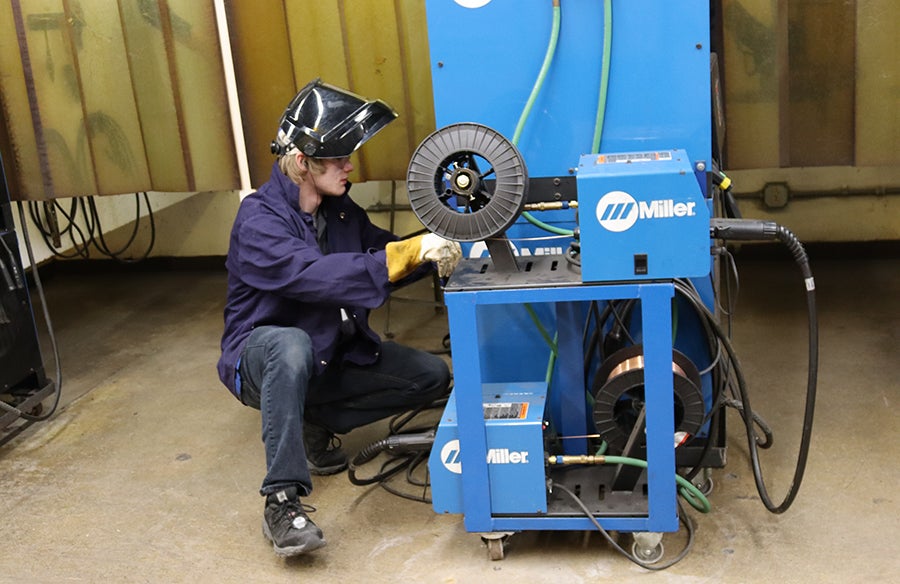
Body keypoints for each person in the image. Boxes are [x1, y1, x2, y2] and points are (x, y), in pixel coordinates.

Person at [216, 79, 461, 558]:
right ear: (303, 163)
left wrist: (437, 249)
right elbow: (315, 276)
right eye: (338, 157)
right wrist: (405, 253)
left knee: (431, 376)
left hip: (329, 355)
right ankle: (281, 501)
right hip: (263, 359)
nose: (350, 165)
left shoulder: (340, 213)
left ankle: (313, 417)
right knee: (289, 345)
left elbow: (382, 256)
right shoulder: (257, 221)